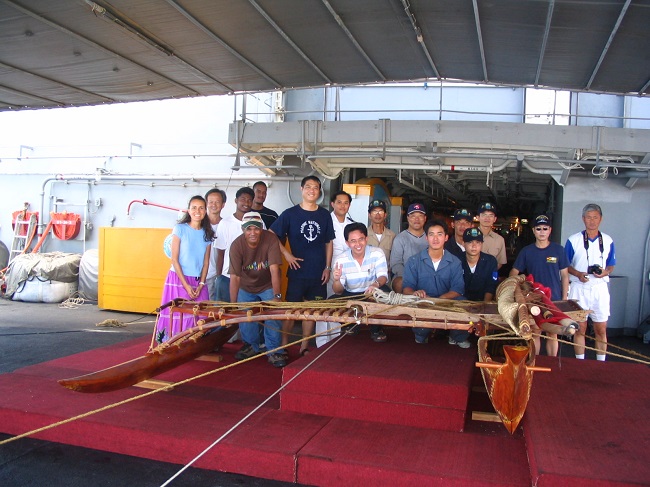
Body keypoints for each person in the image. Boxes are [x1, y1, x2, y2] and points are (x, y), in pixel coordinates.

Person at [270, 175, 335, 355]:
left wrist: (327, 267)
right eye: (308, 187)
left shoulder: (324, 215)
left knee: (311, 311)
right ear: (301, 189)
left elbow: (329, 242)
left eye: (315, 187)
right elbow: (271, 234)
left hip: (318, 273)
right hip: (297, 272)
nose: (312, 190)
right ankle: (283, 346)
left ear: (319, 191)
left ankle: (304, 346)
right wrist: (287, 254)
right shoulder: (290, 214)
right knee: (291, 310)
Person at [316, 222, 389, 346]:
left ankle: (376, 329)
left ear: (366, 239)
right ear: (347, 243)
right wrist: (337, 279)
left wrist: (375, 285)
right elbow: (338, 291)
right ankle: (351, 324)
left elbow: (383, 277)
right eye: (353, 241)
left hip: (372, 291)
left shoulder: (377, 252)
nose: (358, 244)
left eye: (361, 239)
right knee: (331, 303)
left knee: (387, 295)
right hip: (351, 294)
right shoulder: (341, 259)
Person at [229, 212, 286, 368]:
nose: (252, 232)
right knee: (246, 317)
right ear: (243, 230)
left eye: (256, 228)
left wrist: (277, 296)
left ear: (262, 229)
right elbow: (235, 278)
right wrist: (233, 305)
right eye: (249, 229)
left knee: (273, 315)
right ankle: (250, 346)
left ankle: (274, 350)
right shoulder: (236, 245)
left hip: (267, 284)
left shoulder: (271, 239)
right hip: (246, 286)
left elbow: (275, 270)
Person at [155, 195, 214, 343]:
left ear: (205, 211)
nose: (197, 211)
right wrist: (186, 285)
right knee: (178, 313)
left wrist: (201, 283)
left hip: (198, 281)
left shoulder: (207, 233)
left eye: (201, 208)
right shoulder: (180, 229)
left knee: (201, 313)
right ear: (188, 210)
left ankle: (193, 343)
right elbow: (175, 259)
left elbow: (206, 263)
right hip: (178, 278)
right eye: (194, 207)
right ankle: (172, 343)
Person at [509, 214, 569, 356]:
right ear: (533, 231)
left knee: (552, 333)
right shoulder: (526, 251)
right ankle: (535, 361)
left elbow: (565, 275)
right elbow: (514, 272)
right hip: (534, 299)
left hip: (554, 298)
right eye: (538, 228)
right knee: (535, 332)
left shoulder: (558, 250)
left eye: (545, 228)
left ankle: (552, 362)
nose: (542, 232)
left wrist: (564, 298)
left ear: (550, 230)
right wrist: (514, 285)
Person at [565, 204, 616, 361]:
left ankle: (601, 363)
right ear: (583, 219)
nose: (592, 221)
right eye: (589, 217)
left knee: (601, 328)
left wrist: (605, 272)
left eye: (595, 217)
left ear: (600, 219)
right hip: (579, 287)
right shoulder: (573, 240)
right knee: (580, 328)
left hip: (599, 288)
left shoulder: (607, 240)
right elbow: (565, 265)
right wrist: (578, 274)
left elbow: (611, 264)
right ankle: (580, 362)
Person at [403, 218, 465, 344]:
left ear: (446, 237)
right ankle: (422, 334)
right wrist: (415, 293)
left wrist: (441, 300)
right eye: (431, 234)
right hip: (424, 304)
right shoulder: (414, 261)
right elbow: (406, 288)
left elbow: (458, 289)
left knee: (463, 305)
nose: (435, 239)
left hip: (446, 303)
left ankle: (455, 336)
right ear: (426, 238)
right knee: (421, 332)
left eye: (439, 234)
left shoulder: (455, 262)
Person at [214, 187, 258, 302]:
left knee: (245, 315)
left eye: (249, 200)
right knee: (223, 314)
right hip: (227, 277)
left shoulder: (258, 221)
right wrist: (219, 277)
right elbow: (220, 253)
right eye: (243, 199)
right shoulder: (225, 223)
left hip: (249, 279)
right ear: (236, 201)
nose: (246, 203)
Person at [458, 227, 498, 348]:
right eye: (470, 242)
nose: (474, 246)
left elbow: (491, 285)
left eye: (478, 242)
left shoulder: (491, 261)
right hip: (461, 304)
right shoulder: (456, 260)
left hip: (483, 302)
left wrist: (485, 307)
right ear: (463, 244)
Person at [390, 203, 428, 293]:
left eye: (420, 216)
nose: (417, 219)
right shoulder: (400, 238)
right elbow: (396, 264)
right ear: (408, 218)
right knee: (400, 282)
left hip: (427, 275)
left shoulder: (430, 237)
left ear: (425, 218)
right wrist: (410, 277)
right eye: (413, 216)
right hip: (405, 275)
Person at [327, 190, 355, 296]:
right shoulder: (326, 221)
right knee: (331, 297)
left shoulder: (352, 224)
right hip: (329, 266)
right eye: (339, 202)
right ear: (332, 204)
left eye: (346, 203)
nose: (342, 206)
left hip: (349, 266)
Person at [204, 188, 226, 300]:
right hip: (198, 275)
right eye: (210, 201)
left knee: (213, 310)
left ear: (223, 205)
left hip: (217, 275)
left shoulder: (226, 225)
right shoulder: (198, 224)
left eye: (217, 202)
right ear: (206, 203)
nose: (213, 204)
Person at [366, 199, 396, 267]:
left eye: (381, 211)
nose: (377, 214)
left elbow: (394, 259)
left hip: (385, 274)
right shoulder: (363, 234)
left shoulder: (392, 235)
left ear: (385, 215)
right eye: (374, 211)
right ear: (369, 215)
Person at [477, 202, 507, 270]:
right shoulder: (468, 236)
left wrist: (488, 273)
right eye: (484, 215)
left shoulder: (499, 239)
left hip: (489, 277)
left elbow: (500, 262)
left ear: (495, 219)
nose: (487, 218)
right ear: (478, 217)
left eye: (491, 215)